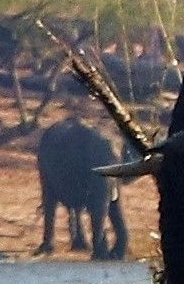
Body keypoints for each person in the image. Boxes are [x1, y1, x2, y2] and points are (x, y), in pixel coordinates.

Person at [36, 104, 125, 260]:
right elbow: (99, 207)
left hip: (98, 171)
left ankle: (108, 245)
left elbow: (104, 207)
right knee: (50, 202)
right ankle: (49, 241)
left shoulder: (103, 149)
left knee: (106, 206)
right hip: (72, 172)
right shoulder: (63, 140)